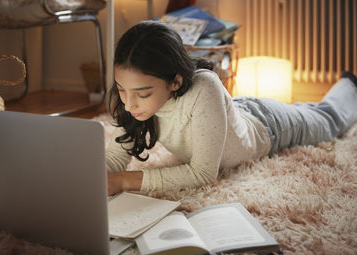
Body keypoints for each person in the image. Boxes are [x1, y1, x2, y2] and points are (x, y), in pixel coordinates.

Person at [106, 21, 357, 196]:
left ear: (176, 81)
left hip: (269, 126)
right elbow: (115, 157)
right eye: (121, 89)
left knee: (329, 119)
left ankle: (350, 83)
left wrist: (126, 180)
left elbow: (203, 174)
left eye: (143, 93)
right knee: (310, 113)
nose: (128, 104)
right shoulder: (132, 99)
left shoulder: (204, 86)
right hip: (226, 116)